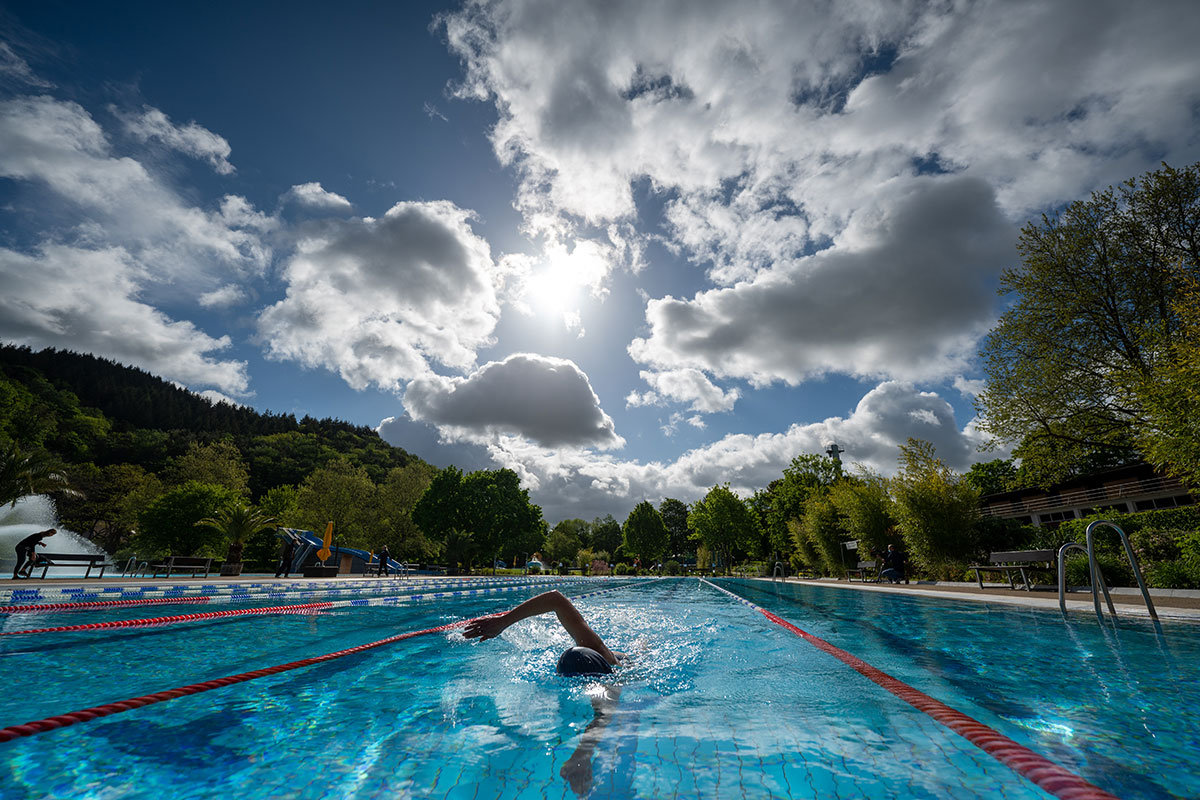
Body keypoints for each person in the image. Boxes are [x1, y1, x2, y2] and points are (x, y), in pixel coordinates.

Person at [463, 590, 620, 675]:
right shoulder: (591, 645)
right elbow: (555, 598)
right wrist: (503, 622)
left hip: (620, 666)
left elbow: (603, 719)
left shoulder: (609, 688)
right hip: (612, 657)